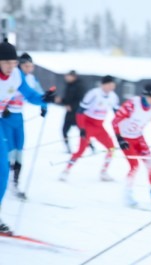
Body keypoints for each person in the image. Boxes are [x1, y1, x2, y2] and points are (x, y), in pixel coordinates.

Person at [0, 39, 54, 234]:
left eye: (14, 63)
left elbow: (29, 94)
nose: (11, 67)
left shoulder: (15, 75)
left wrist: (42, 99)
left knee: (3, 171)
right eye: (6, 63)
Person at [59, 75, 119, 182]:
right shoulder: (93, 94)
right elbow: (80, 111)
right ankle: (66, 171)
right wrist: (82, 128)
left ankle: (104, 172)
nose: (111, 87)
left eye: (113, 85)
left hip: (100, 127)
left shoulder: (113, 96)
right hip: (88, 126)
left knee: (111, 148)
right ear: (103, 84)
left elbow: (117, 114)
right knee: (81, 151)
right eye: (109, 85)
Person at [3, 53, 46, 200]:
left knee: (19, 150)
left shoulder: (29, 79)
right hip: (5, 118)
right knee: (8, 151)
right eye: (26, 66)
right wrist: (5, 108)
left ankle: (14, 182)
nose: (29, 69)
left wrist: (44, 103)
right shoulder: (13, 75)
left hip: (18, 116)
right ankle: (6, 179)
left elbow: (35, 94)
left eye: (31, 66)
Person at [112, 82, 151, 206]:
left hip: (138, 137)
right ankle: (127, 194)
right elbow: (115, 121)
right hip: (125, 138)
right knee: (134, 166)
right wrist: (119, 138)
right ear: (145, 95)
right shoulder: (132, 104)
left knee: (150, 165)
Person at [61, 70, 87, 153]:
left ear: (73, 77)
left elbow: (81, 100)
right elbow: (67, 99)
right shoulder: (69, 85)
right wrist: (62, 101)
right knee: (64, 130)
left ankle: (90, 146)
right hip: (69, 113)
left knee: (82, 131)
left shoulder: (79, 86)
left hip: (77, 113)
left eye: (68, 76)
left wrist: (71, 106)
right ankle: (68, 147)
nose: (66, 78)